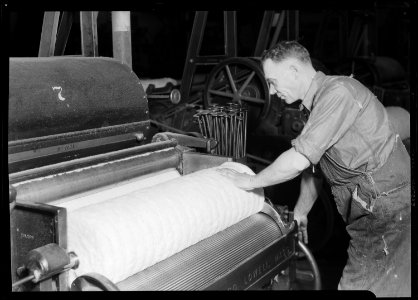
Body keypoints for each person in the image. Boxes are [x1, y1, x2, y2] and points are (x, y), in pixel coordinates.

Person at [217, 40, 411, 296]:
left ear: (294, 71)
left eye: (273, 81)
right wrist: (301, 211)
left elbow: (299, 160)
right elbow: (316, 169)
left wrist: (248, 182)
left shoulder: (337, 93)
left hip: (385, 212)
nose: (272, 92)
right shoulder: (318, 103)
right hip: (379, 207)